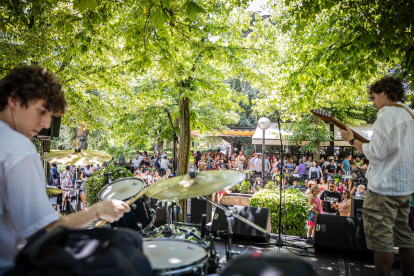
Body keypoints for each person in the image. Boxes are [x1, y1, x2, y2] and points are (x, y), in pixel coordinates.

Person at [0, 65, 130, 275]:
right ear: (13, 100)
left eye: (49, 115)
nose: (44, 123)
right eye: (41, 111)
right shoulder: (18, 147)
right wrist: (98, 210)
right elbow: (46, 234)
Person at [339, 76, 414, 276]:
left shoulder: (386, 115)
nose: (373, 103)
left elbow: (375, 152)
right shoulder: (410, 113)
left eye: (373, 97)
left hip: (384, 188)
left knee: (382, 242)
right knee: (405, 237)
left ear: (383, 92)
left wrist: (351, 140)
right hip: (405, 188)